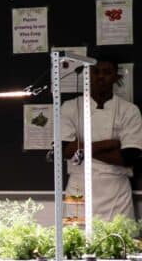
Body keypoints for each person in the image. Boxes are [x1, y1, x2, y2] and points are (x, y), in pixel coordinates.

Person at [60, 59, 142, 221]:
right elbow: (65, 150)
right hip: (79, 187)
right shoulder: (70, 107)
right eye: (95, 72)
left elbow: (128, 157)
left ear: (116, 77)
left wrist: (81, 149)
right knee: (75, 235)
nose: (100, 77)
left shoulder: (129, 111)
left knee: (120, 236)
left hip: (116, 190)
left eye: (107, 72)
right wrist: (109, 144)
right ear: (88, 75)